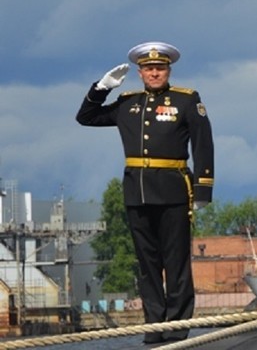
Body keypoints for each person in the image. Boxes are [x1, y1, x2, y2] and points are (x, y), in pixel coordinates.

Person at [76, 41, 214, 344]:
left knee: (176, 263)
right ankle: (154, 324)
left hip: (174, 190)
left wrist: (204, 188)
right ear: (140, 72)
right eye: (149, 68)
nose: (155, 72)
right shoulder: (127, 102)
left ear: (168, 70)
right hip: (136, 192)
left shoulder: (187, 100)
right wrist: (101, 87)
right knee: (147, 263)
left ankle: (178, 327)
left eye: (160, 68)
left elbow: (203, 144)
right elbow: (85, 117)